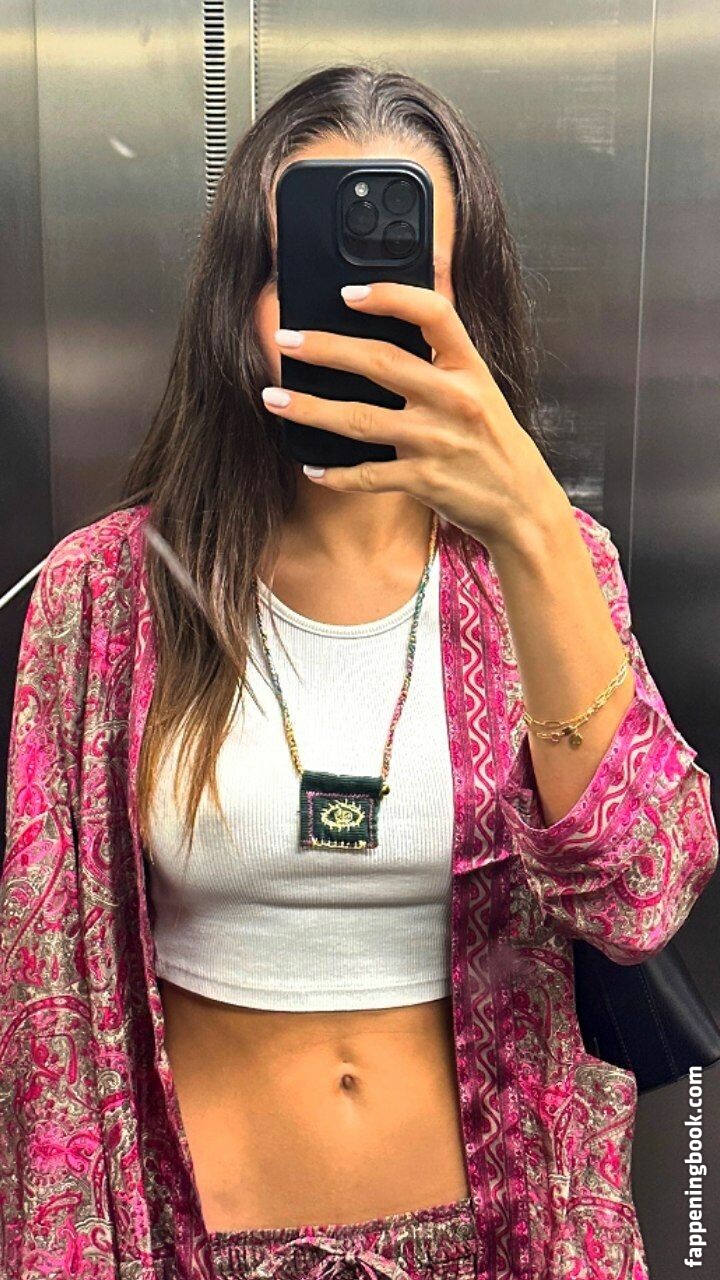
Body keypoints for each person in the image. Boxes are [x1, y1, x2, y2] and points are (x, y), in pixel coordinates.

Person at [1, 63, 717, 1280]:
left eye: (406, 279)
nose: (356, 313)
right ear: (238, 302)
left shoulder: (550, 566)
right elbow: (46, 996)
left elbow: (640, 893)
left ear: (467, 307)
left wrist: (530, 523)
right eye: (308, 270)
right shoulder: (108, 592)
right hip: (195, 1248)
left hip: (495, 1244)